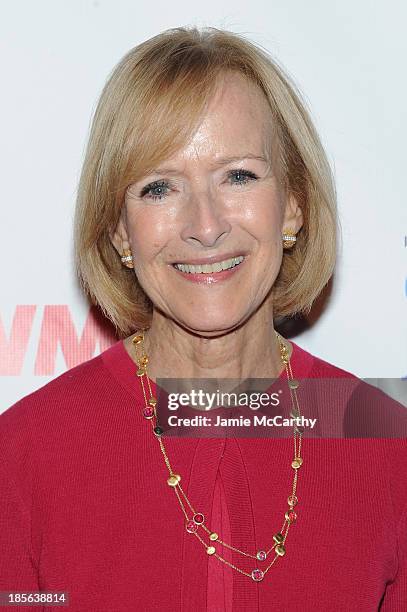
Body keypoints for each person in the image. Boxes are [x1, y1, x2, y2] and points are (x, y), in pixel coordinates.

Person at [1, 26, 406, 612]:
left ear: (292, 203)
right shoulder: (28, 456)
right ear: (119, 230)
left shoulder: (383, 443)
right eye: (160, 187)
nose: (206, 225)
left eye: (237, 176)